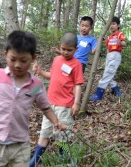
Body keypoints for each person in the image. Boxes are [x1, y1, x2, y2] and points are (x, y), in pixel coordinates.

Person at [0, 31, 66, 167]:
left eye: (23, 60)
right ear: (6, 55)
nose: (17, 65)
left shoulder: (35, 86)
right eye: (13, 59)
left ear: (33, 58)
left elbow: (45, 107)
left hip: (20, 145)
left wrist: (56, 122)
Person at [30, 32, 84, 167]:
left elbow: (77, 85)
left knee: (63, 137)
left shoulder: (76, 64)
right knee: (44, 133)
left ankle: (63, 160)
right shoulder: (57, 60)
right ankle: (35, 161)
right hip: (49, 104)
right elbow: (52, 76)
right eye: (63, 49)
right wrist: (40, 71)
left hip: (65, 106)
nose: (65, 52)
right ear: (60, 47)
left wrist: (76, 103)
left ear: (75, 49)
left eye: (69, 50)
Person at [89, 16, 127, 101]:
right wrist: (101, 40)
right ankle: (117, 92)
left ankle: (99, 95)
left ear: (118, 25)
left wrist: (120, 42)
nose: (111, 26)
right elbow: (107, 47)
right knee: (109, 74)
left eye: (113, 24)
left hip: (116, 54)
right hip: (109, 56)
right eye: (110, 24)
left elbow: (124, 43)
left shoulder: (120, 34)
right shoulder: (109, 37)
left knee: (107, 74)